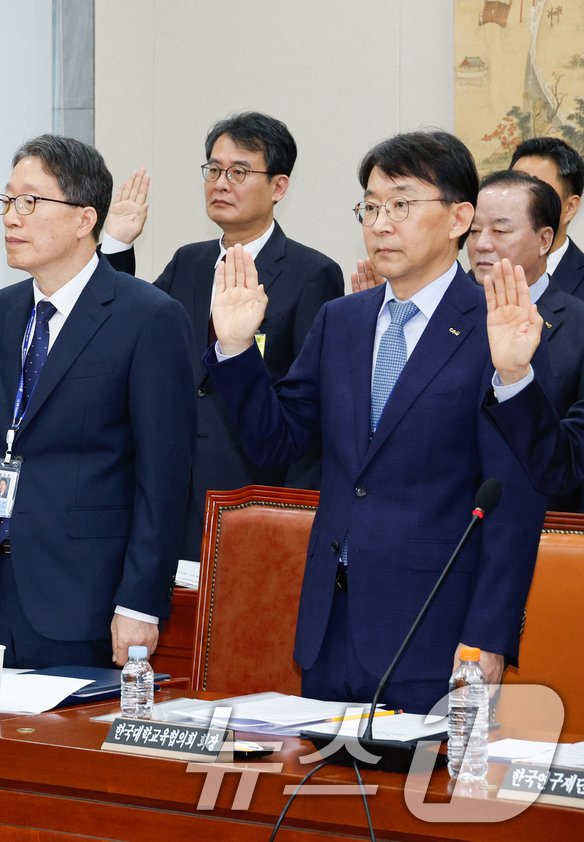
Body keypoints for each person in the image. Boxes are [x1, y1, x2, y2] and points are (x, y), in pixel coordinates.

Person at [206, 130, 546, 713]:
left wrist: (488, 638)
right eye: (371, 206)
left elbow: (512, 503)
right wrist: (237, 352)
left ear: (459, 216)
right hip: (329, 627)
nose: (381, 223)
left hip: (435, 631)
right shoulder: (343, 320)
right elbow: (275, 442)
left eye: (402, 205)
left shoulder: (496, 327)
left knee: (418, 801)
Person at [0, 134, 194, 669]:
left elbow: (164, 477)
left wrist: (141, 599)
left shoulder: (148, 317)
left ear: (83, 218)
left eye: (30, 201)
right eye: (6, 201)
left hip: (89, 594)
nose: (11, 217)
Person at [103, 112, 342, 560]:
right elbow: (121, 329)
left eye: (239, 172)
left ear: (279, 187)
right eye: (213, 170)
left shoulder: (312, 275)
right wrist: (116, 245)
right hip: (170, 486)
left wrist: (296, 516)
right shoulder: (188, 262)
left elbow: (312, 409)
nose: (220, 183)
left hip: (252, 493)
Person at [467, 170, 584, 511]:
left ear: (544, 240)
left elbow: (571, 461)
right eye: (474, 231)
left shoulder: (578, 324)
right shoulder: (446, 317)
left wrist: (516, 378)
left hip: (542, 530)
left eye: (500, 230)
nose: (482, 243)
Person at [510, 137, 584, 298]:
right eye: (513, 186)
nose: (520, 200)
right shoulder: (479, 276)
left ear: (570, 207)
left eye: (536, 190)